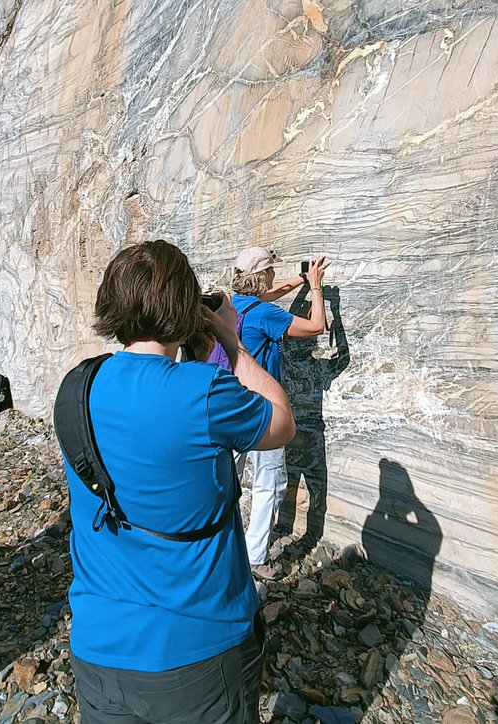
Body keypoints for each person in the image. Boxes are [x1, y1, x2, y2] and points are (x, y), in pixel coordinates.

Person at [62, 240, 295, 723]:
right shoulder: (202, 391)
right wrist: (230, 342)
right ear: (184, 307)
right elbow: (280, 424)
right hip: (198, 649)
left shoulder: (77, 385)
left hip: (99, 646)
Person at [230, 247, 330, 578]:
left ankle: (222, 547)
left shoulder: (233, 305)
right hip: (264, 409)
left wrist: (300, 278)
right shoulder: (266, 315)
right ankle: (256, 556)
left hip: (231, 403)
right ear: (261, 276)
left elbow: (270, 292)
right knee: (269, 481)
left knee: (227, 479)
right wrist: (316, 287)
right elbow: (317, 326)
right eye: (271, 270)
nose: (274, 276)